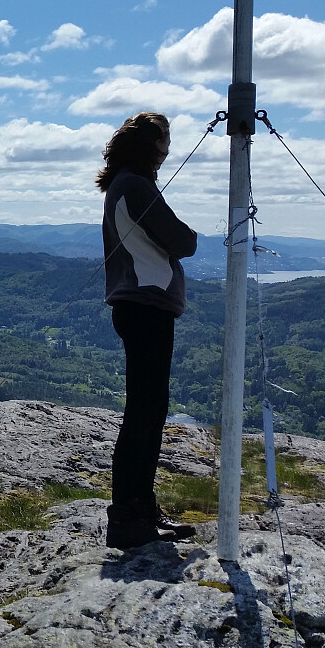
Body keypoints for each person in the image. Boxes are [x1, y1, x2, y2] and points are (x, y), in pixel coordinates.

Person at [98, 112, 199, 549]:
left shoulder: (124, 183)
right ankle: (129, 516)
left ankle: (139, 508)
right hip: (146, 306)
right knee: (145, 413)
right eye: (165, 142)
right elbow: (183, 241)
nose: (168, 151)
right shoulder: (137, 186)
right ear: (150, 146)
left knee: (147, 411)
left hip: (137, 306)